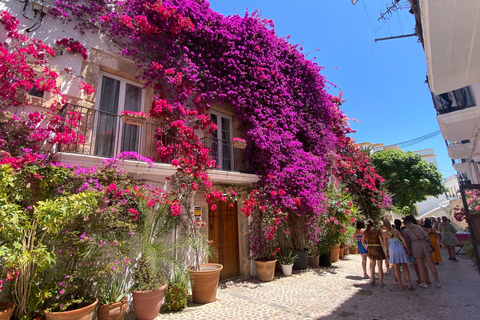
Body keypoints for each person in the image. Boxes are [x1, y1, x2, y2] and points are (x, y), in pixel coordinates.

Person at [402, 215, 441, 288]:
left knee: (420, 265)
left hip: (415, 245)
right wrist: (427, 243)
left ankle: (424, 282)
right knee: (431, 264)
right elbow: (426, 236)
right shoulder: (418, 227)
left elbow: (407, 241)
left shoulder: (406, 230)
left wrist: (409, 250)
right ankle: (437, 281)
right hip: (424, 243)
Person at [382, 219, 413, 290]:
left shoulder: (385, 233)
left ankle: (400, 285)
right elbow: (404, 240)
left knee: (396, 268)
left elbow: (385, 245)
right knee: (405, 266)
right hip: (400, 247)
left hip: (392, 249)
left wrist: (386, 253)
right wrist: (407, 249)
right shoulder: (396, 231)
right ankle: (408, 283)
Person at [362, 219, 386, 287]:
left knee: (372, 264)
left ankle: (372, 279)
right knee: (379, 266)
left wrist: (366, 246)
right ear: (373, 224)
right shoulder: (377, 231)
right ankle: (381, 282)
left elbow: (362, 241)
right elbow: (381, 241)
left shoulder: (366, 232)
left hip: (370, 248)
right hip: (378, 248)